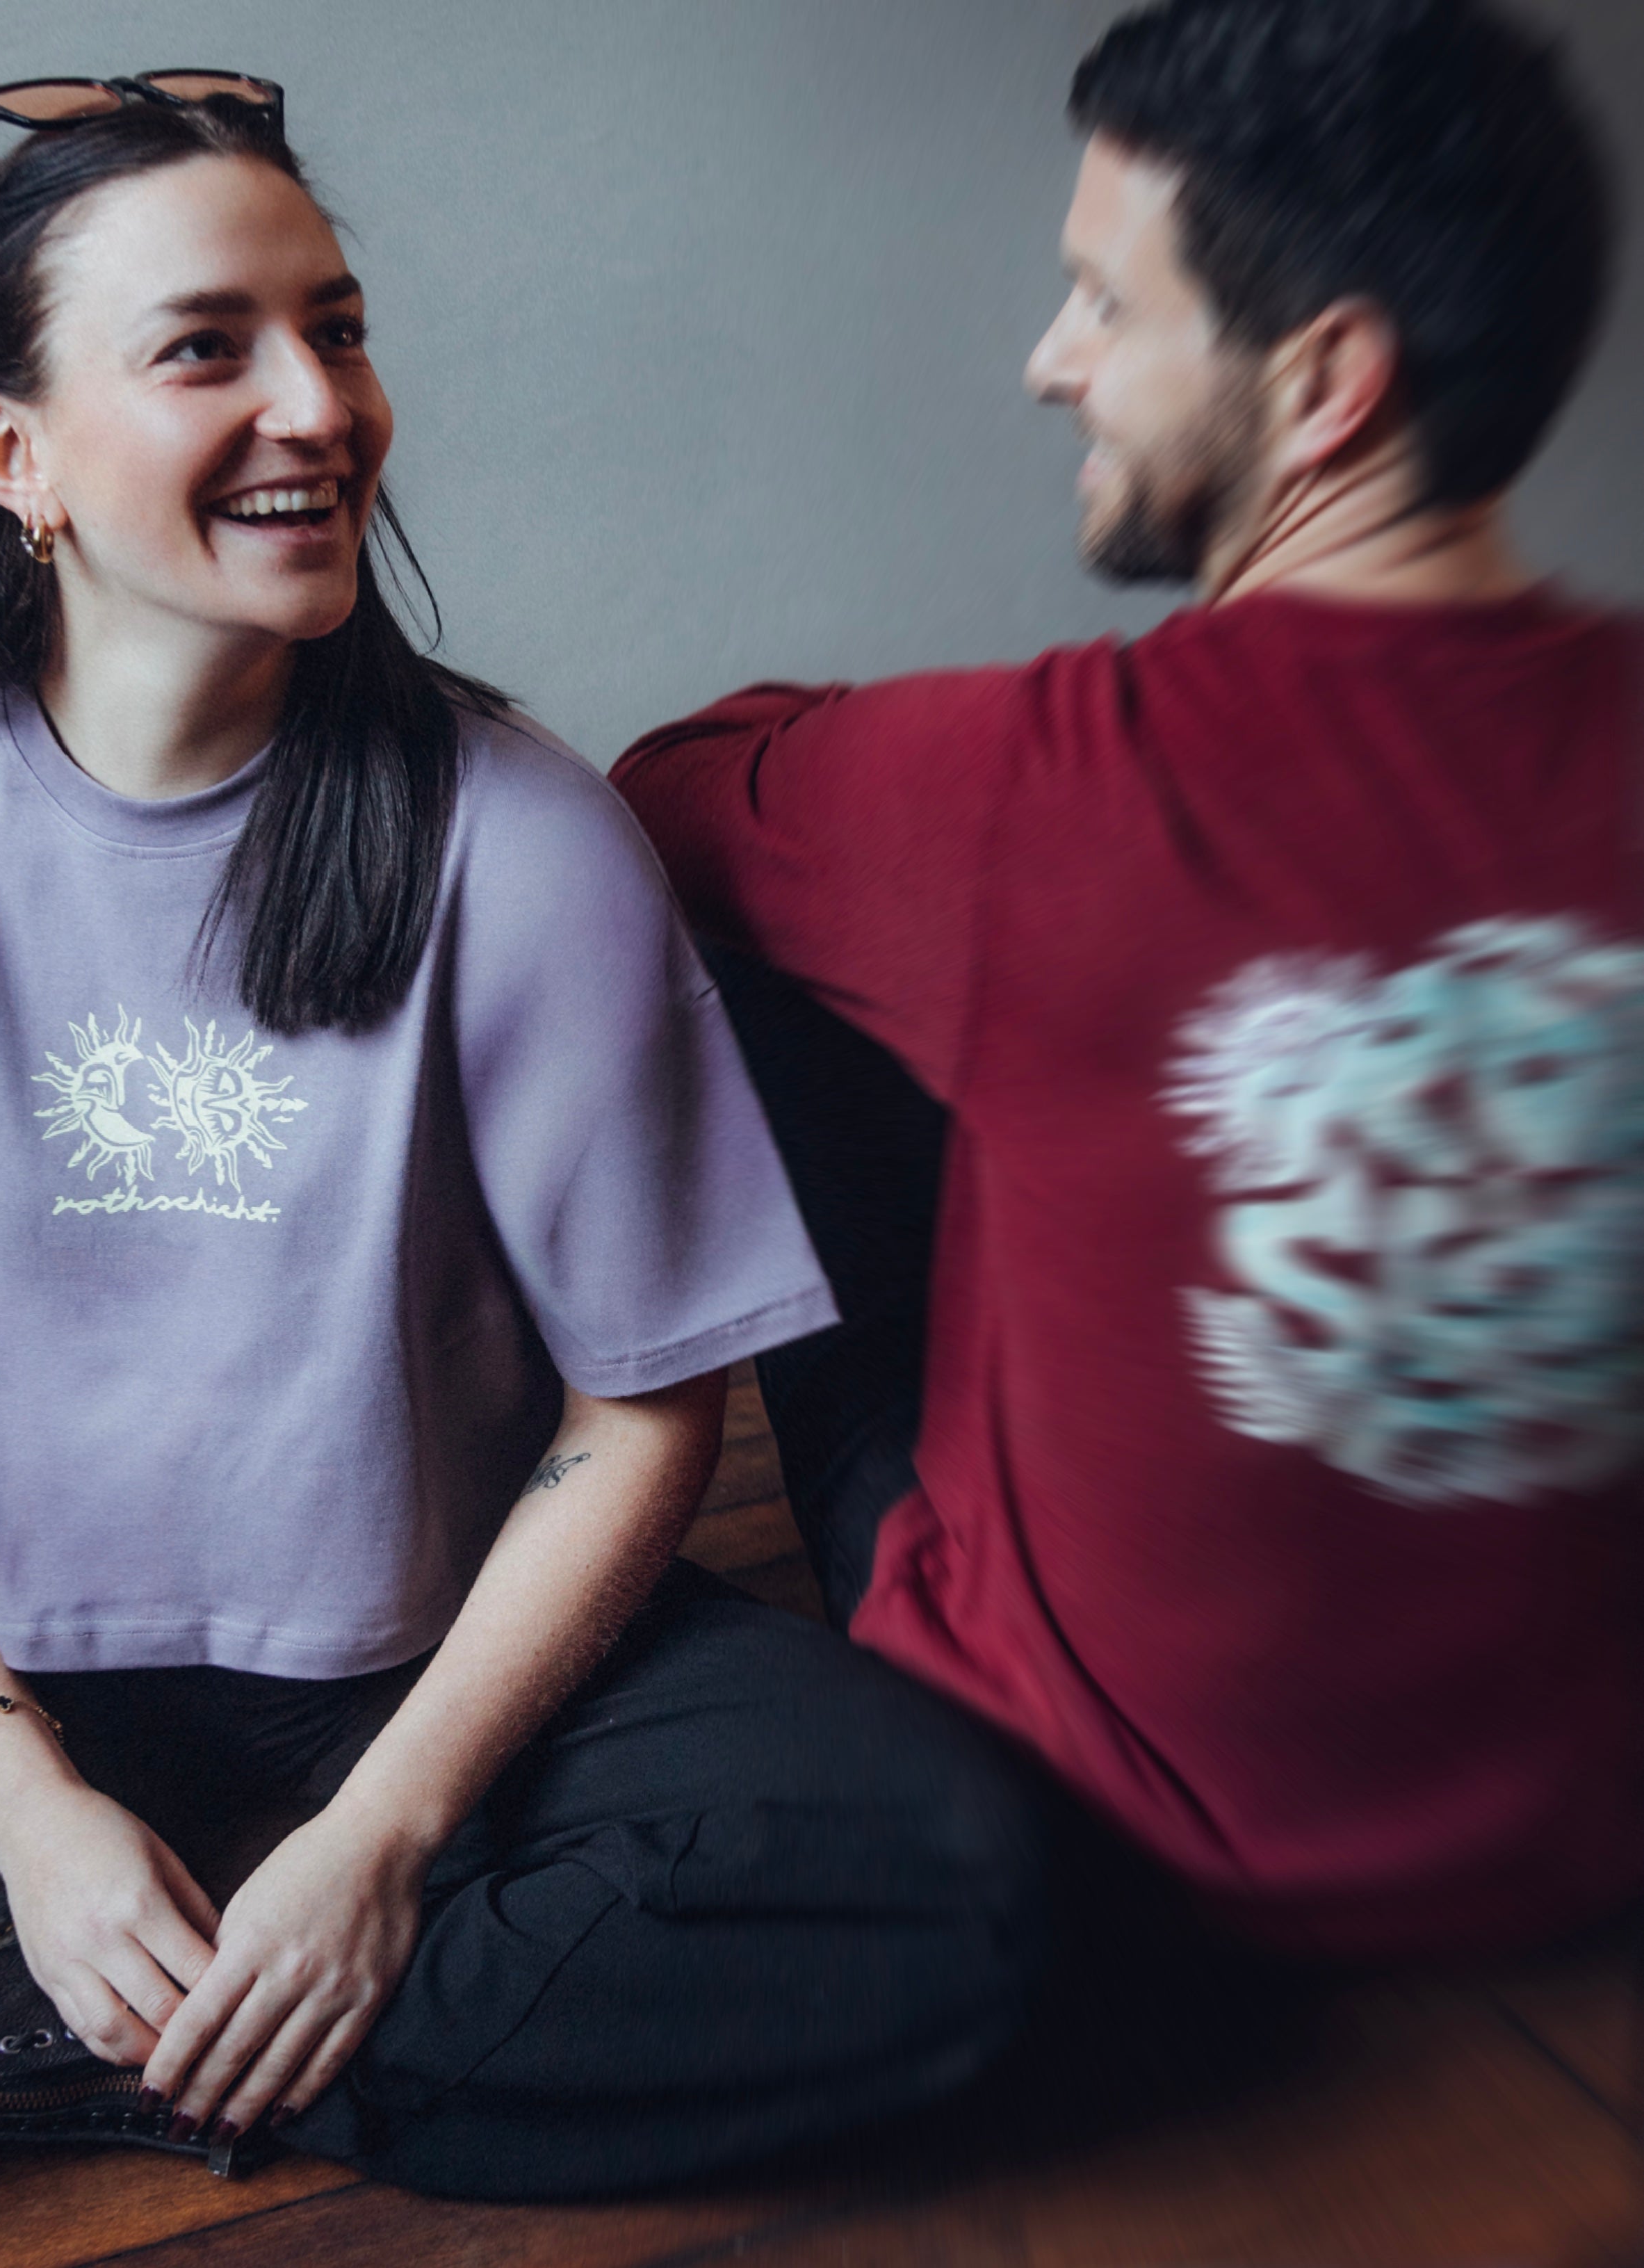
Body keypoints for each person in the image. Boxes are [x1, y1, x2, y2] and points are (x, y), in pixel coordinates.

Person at [0, 79, 1048, 2220]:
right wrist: (19, 1809)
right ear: (7, 454)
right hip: (4, 1652)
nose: (318, 404)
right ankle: (101, 1957)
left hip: (416, 1661)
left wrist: (385, 1837)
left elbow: (639, 1411)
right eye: (206, 346)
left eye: (335, 328)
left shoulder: (521, 842)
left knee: (958, 1895)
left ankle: (27, 2047)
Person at [615, 0, 1643, 1966]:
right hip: (1578, 1832)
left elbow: (665, 793)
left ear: (1323, 381)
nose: (1050, 360)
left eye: (1105, 301)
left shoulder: (1036, 785)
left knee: (786, 971)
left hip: (1116, 1842)